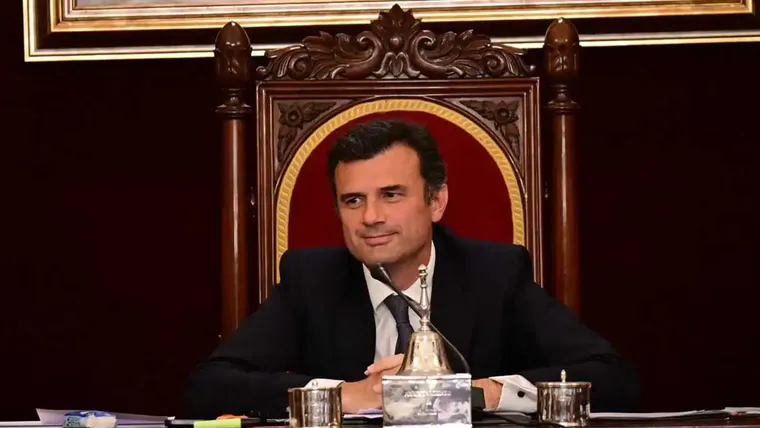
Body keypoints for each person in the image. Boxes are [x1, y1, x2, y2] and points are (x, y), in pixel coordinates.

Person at [181, 119, 640, 419]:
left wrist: (478, 393)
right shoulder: (311, 279)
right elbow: (208, 387)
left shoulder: (494, 273)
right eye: (353, 200)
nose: (371, 217)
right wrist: (350, 395)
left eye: (391, 195)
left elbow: (613, 378)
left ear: (436, 201)